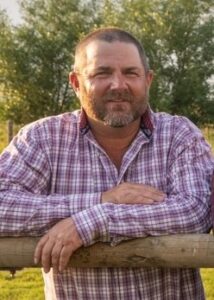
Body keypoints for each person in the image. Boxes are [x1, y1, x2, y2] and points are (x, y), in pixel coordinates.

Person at [0, 27, 213, 300]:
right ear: (76, 83)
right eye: (102, 73)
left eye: (130, 73)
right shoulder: (43, 139)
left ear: (148, 80)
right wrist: (100, 199)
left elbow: (195, 210)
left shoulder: (179, 135)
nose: (118, 85)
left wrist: (92, 221)